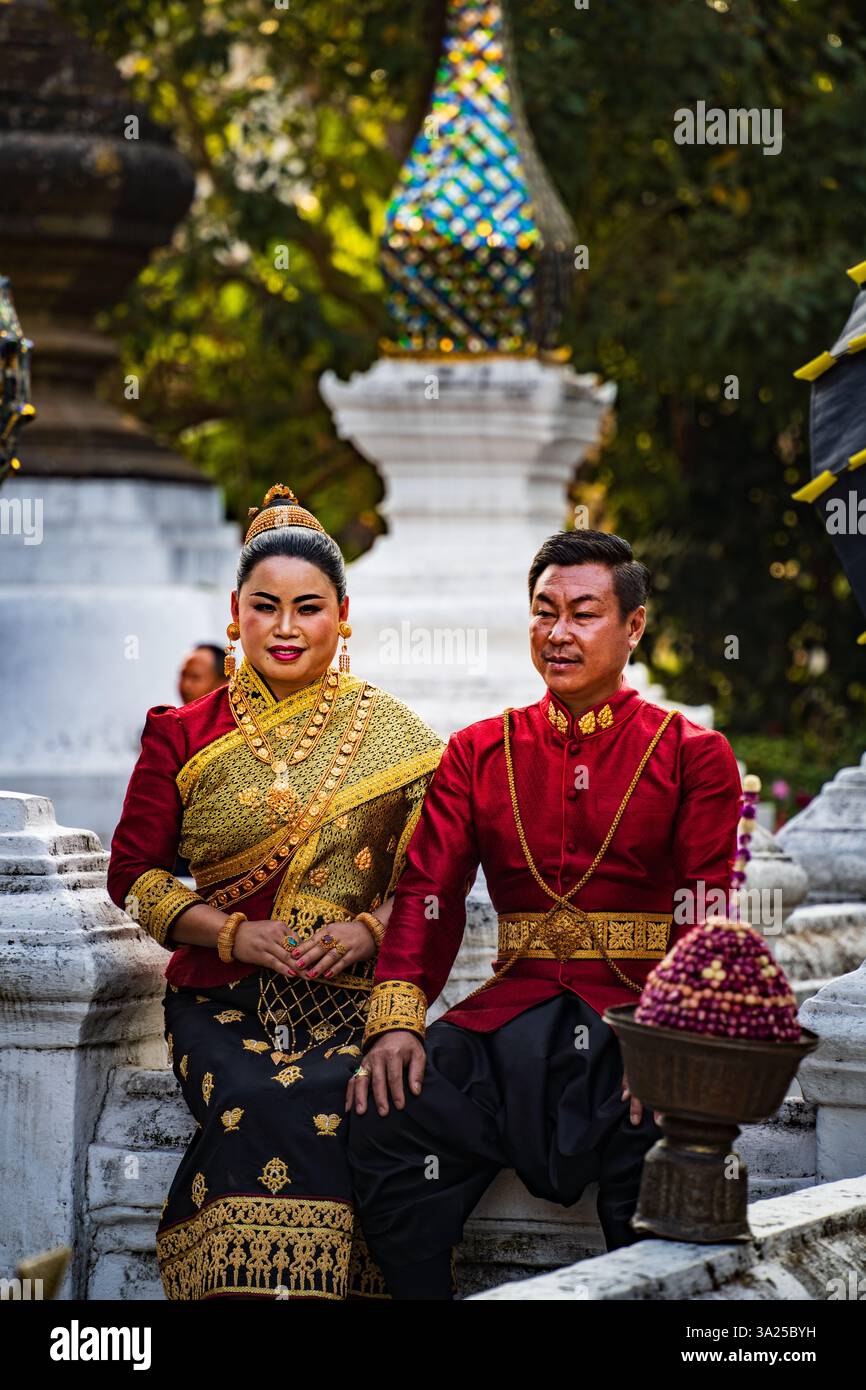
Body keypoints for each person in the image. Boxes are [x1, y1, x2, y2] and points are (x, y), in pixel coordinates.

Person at [346, 529, 742, 1299]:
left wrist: (674, 1032)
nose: (558, 633)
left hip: (635, 1020)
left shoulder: (693, 753)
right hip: (511, 1020)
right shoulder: (478, 751)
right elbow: (430, 891)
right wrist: (396, 1016)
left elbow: (705, 903)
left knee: (665, 1132)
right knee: (390, 1112)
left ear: (633, 627)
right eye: (543, 611)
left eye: (583, 613)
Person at [107, 483, 444, 1301]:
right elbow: (134, 877)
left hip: (353, 998)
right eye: (266, 607)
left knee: (348, 1093)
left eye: (308, 607)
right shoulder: (180, 733)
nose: (286, 628)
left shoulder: (400, 737)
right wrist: (229, 935)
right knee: (257, 1097)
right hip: (219, 999)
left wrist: (369, 930)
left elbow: (431, 886)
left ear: (342, 613)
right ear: (236, 610)